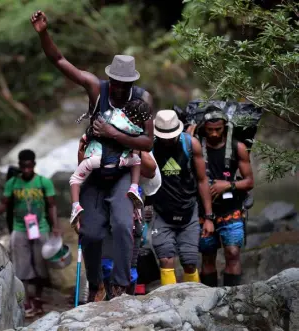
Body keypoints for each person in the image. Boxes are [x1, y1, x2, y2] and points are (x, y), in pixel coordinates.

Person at [31, 10, 155, 299]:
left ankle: (121, 286)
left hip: (124, 172)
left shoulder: (142, 99)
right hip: (95, 174)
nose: (121, 89)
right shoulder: (96, 89)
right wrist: (43, 34)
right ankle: (97, 283)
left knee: (124, 226)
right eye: (117, 83)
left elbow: (147, 142)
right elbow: (60, 61)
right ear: (111, 78)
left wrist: (113, 134)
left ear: (133, 83)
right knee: (91, 233)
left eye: (126, 85)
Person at [0, 149, 60, 317]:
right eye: (23, 166)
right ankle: (25, 301)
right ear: (19, 165)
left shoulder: (43, 182)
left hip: (41, 229)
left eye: (29, 166)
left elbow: (52, 205)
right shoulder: (13, 183)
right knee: (20, 268)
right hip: (19, 229)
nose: (26, 170)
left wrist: (56, 227)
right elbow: (4, 204)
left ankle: (38, 300)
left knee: (40, 267)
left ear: (34, 165)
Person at [188, 107, 254, 287]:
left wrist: (228, 185)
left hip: (231, 208)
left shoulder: (237, 147)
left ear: (225, 126)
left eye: (218, 129)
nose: (215, 134)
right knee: (208, 255)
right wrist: (187, 137)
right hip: (203, 209)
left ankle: (233, 298)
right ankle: (210, 298)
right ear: (204, 127)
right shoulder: (195, 146)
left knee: (232, 252)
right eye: (210, 130)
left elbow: (249, 182)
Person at [150, 110, 214, 286]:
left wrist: (208, 217)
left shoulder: (191, 144)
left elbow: (202, 180)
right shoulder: (150, 147)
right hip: (161, 212)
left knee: (190, 261)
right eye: (164, 136)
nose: (168, 139)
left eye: (171, 136)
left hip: (188, 211)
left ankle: (193, 301)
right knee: (165, 259)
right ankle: (169, 304)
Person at [69, 99, 153, 225]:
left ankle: (75, 205)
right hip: (119, 161)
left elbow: (90, 132)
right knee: (136, 160)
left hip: (95, 159)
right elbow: (145, 142)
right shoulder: (134, 130)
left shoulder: (111, 115)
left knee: (75, 180)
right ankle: (134, 187)